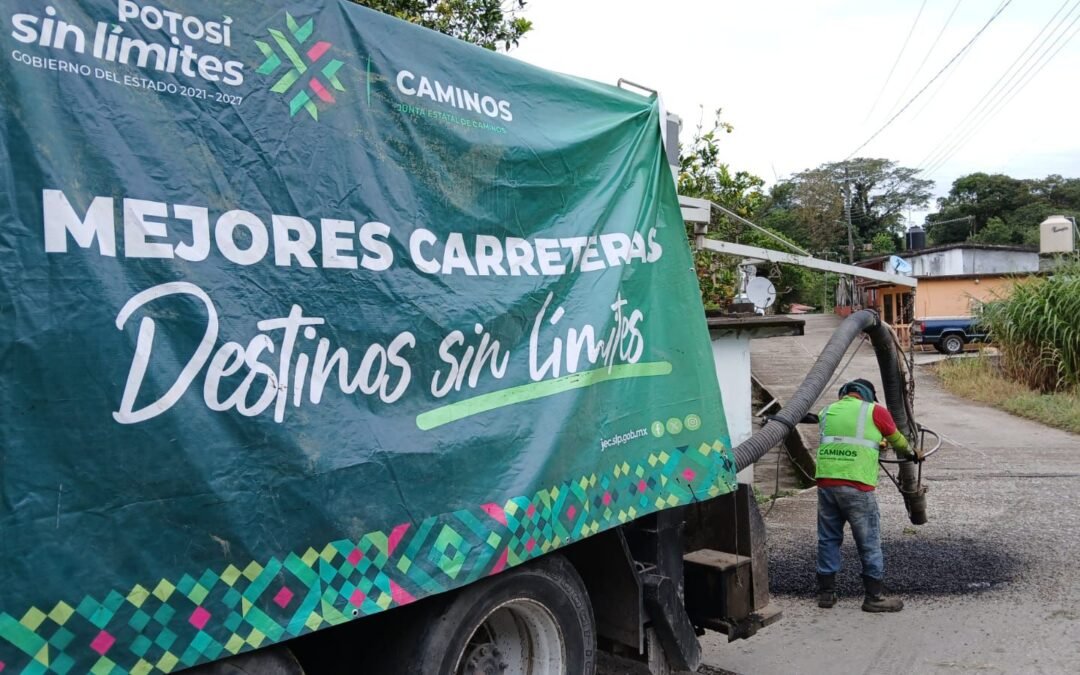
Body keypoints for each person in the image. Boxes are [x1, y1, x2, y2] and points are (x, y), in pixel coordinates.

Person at [814, 378, 921, 612]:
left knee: (828, 538)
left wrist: (875, 443)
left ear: (845, 394)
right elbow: (898, 441)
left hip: (826, 484)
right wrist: (913, 453)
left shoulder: (826, 411)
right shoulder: (875, 411)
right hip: (857, 486)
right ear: (868, 395)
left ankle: (826, 594)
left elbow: (844, 439)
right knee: (869, 542)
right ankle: (873, 597)